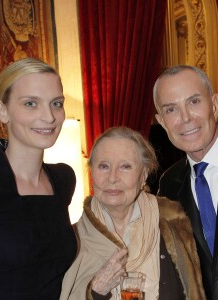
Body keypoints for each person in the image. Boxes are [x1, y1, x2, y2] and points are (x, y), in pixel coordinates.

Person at [0, 57, 77, 299]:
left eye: (56, 103)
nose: (49, 116)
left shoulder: (63, 180)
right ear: (2, 110)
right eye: (31, 103)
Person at [153, 65, 218, 300]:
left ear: (214, 103)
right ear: (161, 121)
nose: (185, 118)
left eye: (194, 102)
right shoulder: (169, 185)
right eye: (171, 109)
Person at [61, 126, 206, 300]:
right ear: (92, 173)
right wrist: (96, 290)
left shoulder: (173, 224)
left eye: (125, 166)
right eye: (104, 166)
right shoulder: (71, 240)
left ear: (143, 175)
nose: (113, 178)